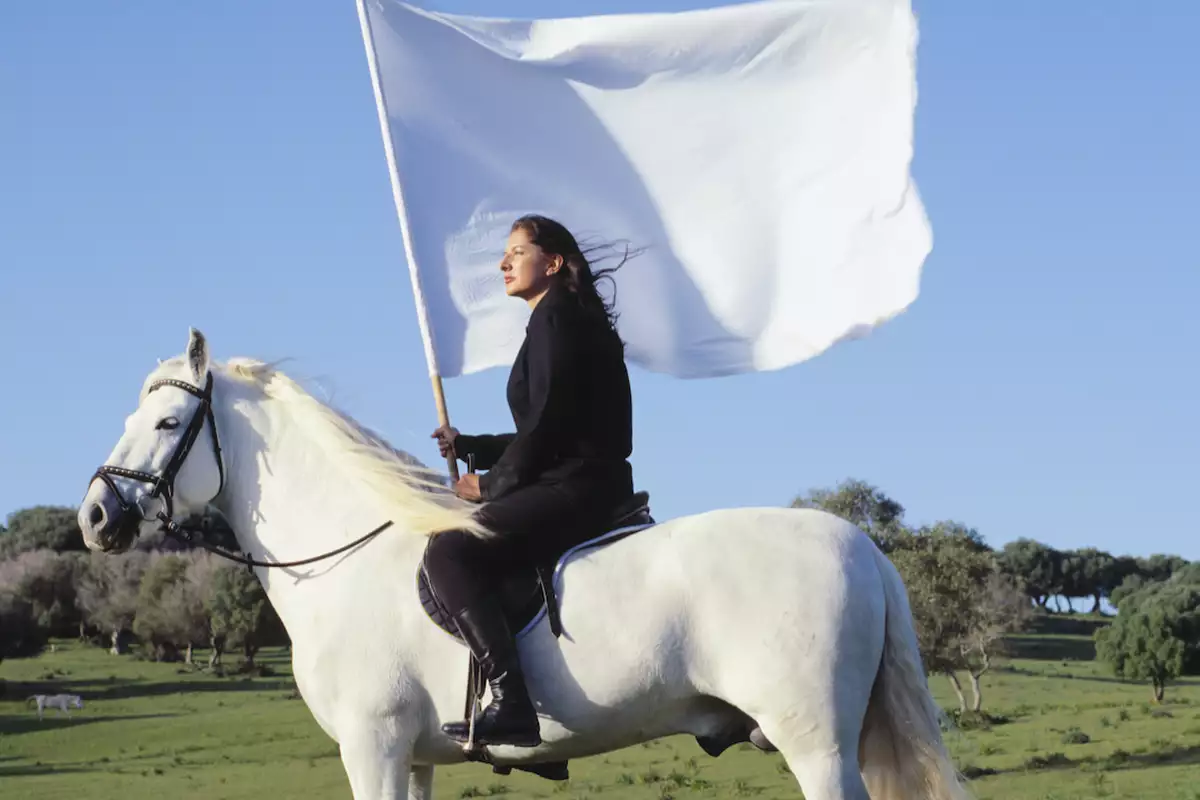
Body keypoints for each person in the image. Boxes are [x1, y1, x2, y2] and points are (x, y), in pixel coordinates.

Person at [427, 214, 637, 748]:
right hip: (581, 476)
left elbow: (546, 429)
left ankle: (511, 701)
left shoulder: (556, 319)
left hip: (577, 487)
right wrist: (472, 447)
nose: (503, 263)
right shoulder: (563, 317)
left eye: (516, 252)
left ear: (553, 262)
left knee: (450, 551)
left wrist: (490, 485)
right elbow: (547, 425)